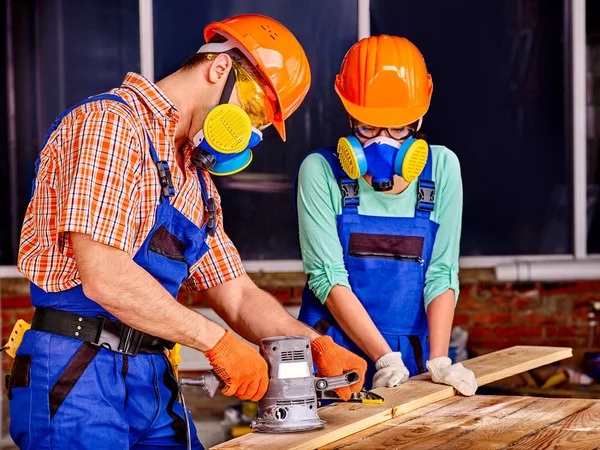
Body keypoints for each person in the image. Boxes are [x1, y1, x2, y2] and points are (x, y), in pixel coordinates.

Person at [10, 14, 366, 449]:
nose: (252, 134)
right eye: (253, 110)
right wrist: (217, 342)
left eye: (263, 126)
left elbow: (235, 293)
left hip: (151, 374)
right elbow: (105, 276)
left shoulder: (196, 182)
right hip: (77, 367)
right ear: (219, 69)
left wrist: (312, 345)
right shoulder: (110, 125)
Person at [296, 35, 477, 395]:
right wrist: (383, 358)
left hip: (413, 355)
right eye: (367, 128)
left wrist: (439, 359)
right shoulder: (321, 171)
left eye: (398, 128)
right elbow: (327, 277)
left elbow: (442, 272)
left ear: (418, 118)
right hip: (337, 356)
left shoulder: (441, 167)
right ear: (349, 116)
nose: (383, 142)